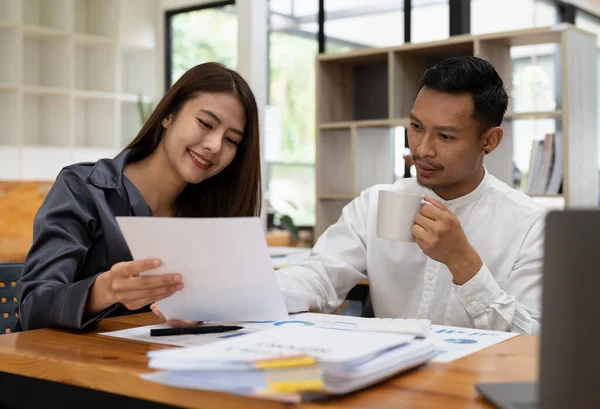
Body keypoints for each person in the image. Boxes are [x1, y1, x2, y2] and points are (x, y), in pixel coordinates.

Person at [275, 56, 545, 335]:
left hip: (473, 376)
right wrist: (253, 292)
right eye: (416, 127)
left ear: (489, 141)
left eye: (445, 137)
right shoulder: (376, 203)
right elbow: (318, 276)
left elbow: (531, 338)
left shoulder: (530, 225)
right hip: (385, 372)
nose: (422, 149)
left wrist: (462, 261)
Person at [18, 62, 262, 331]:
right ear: (168, 116)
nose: (214, 145)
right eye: (205, 123)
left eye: (231, 141)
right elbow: (32, 308)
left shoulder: (211, 213)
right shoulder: (83, 188)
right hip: (58, 365)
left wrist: (197, 312)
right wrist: (104, 290)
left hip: (155, 362)